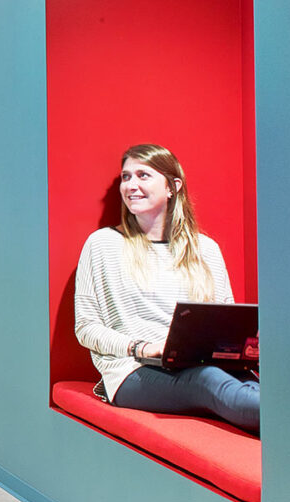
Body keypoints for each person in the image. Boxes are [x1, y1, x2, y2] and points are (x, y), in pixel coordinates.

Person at [72, 144, 259, 432]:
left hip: (198, 363)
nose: (131, 185)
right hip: (133, 371)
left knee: (261, 384)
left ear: (173, 187)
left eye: (143, 175)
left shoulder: (205, 250)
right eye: (126, 177)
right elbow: (85, 327)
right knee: (207, 380)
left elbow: (227, 320)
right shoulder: (103, 244)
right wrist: (140, 347)